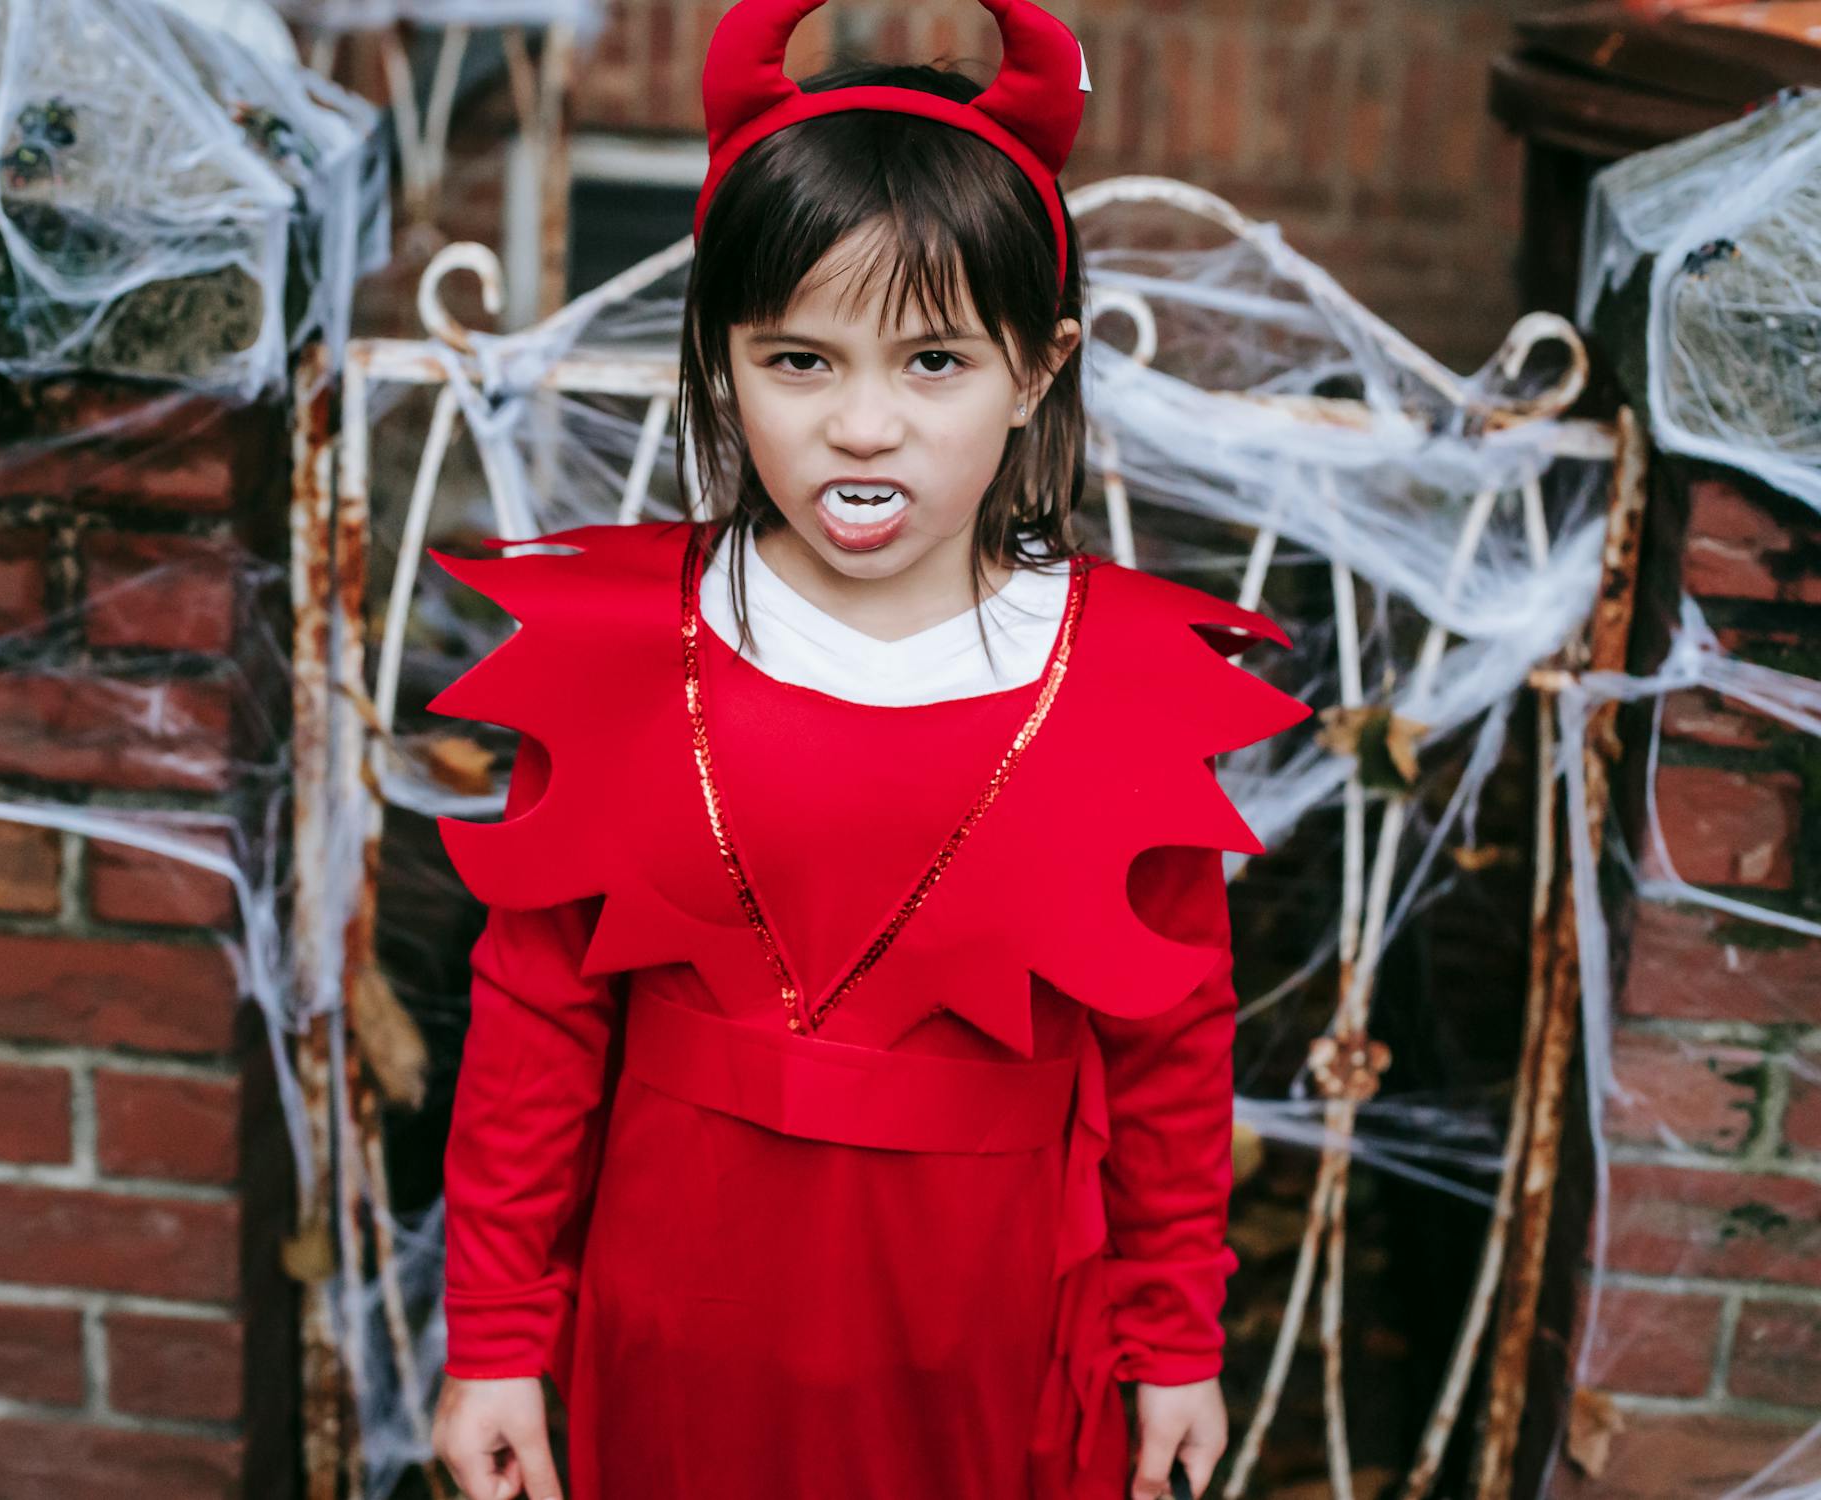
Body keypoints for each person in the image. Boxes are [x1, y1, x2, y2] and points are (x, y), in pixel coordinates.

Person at [428, 2, 1310, 1496]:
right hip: (680, 1319)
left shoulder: (1120, 690)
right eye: (798, 361)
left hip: (985, 1335)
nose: (861, 425)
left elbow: (1172, 1054)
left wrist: (1173, 1343)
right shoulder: (628, 657)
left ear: (1036, 368)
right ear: (719, 362)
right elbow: (535, 1022)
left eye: (933, 363)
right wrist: (495, 1335)